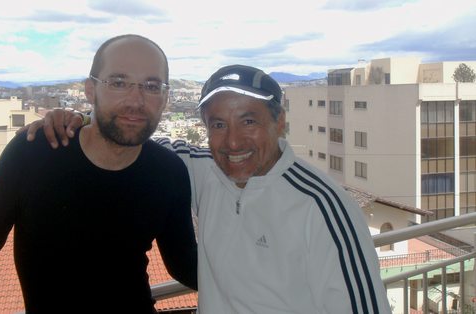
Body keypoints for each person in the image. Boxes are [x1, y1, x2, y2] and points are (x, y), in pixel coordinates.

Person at [25, 65, 392, 313]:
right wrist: (82, 120)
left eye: (249, 121)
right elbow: (134, 141)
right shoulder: (203, 170)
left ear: (279, 122)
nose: (233, 142)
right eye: (218, 124)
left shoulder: (323, 207)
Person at [0, 34, 197, 313]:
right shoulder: (35, 152)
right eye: (118, 83)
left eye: (151, 86)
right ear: (90, 90)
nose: (136, 100)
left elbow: (185, 265)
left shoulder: (168, 172)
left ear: (165, 97)